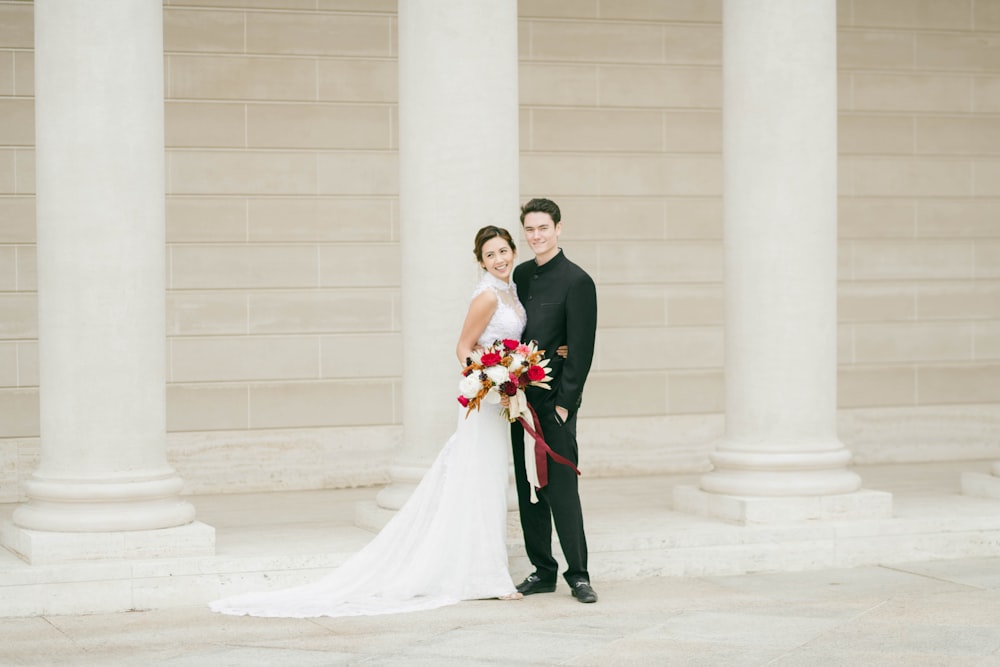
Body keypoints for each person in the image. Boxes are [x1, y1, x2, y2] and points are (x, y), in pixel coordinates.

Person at [210, 226, 527, 618]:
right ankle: (487, 577)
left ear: (513, 251)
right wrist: (488, 378)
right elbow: (463, 347)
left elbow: (503, 345)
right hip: (483, 401)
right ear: (480, 261)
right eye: (490, 254)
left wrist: (510, 376)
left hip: (500, 402)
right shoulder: (485, 296)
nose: (499, 259)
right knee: (479, 481)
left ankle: (480, 568)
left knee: (488, 482)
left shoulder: (510, 292)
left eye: (503, 251)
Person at [511, 198, 599, 604]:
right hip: (516, 400)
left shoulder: (578, 281)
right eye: (529, 229)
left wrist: (565, 404)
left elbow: (580, 350)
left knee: (561, 487)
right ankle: (542, 570)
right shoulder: (521, 275)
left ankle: (578, 574)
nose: (536, 236)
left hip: (554, 403)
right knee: (530, 488)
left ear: (558, 228)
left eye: (543, 227)